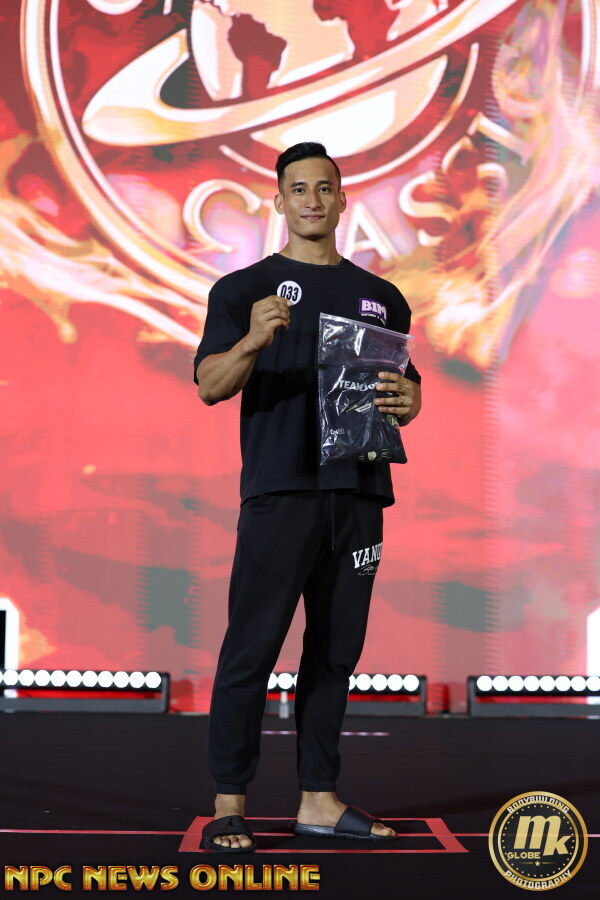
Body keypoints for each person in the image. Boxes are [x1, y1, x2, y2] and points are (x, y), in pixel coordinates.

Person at [194, 141, 422, 852]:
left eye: (325, 188)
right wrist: (252, 341)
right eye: (299, 189)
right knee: (251, 647)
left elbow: (404, 388)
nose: (313, 200)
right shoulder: (242, 291)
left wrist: (411, 400)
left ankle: (318, 799)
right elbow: (209, 386)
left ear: (342, 198)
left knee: (334, 653)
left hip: (358, 492)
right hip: (281, 490)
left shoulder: (382, 297)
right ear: (280, 201)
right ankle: (229, 802)